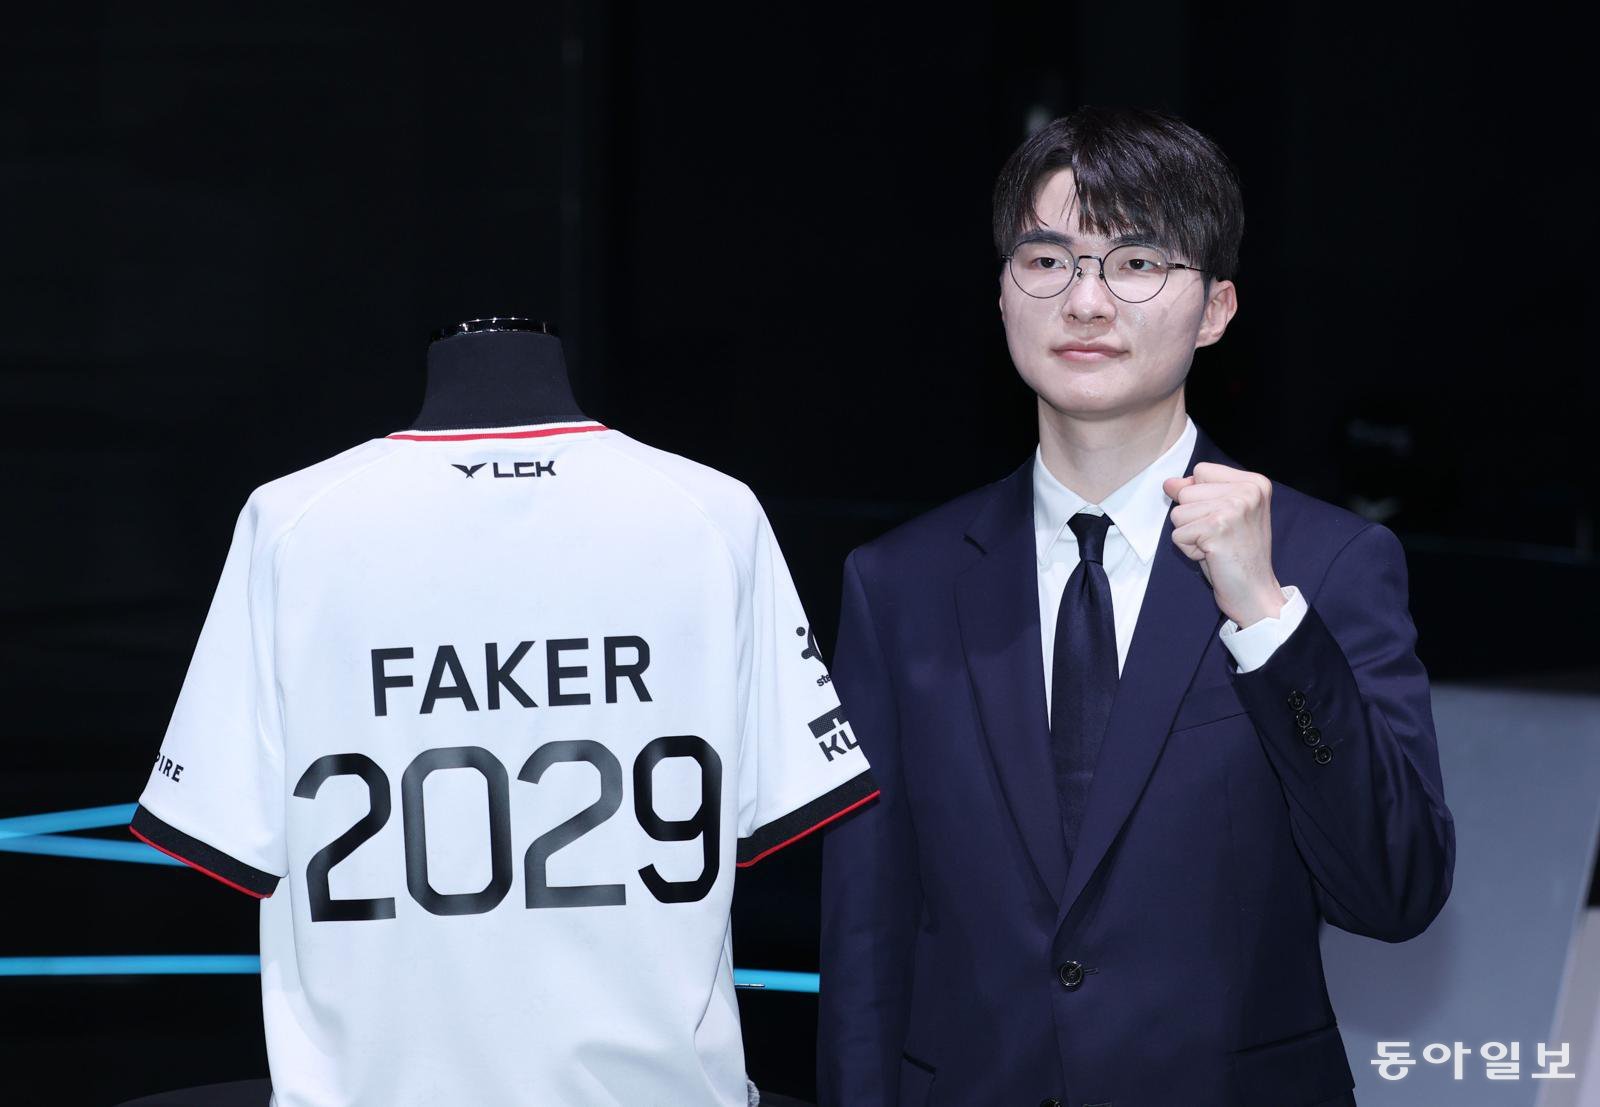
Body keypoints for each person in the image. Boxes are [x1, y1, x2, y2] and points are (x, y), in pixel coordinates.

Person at [815, 105, 1455, 1107]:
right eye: (1048, 261)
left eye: (1137, 263)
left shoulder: (1328, 564)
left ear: (1215, 309)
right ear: (1002, 293)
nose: (1085, 301)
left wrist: (1267, 621)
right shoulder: (899, 583)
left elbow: (1394, 889)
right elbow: (864, 933)